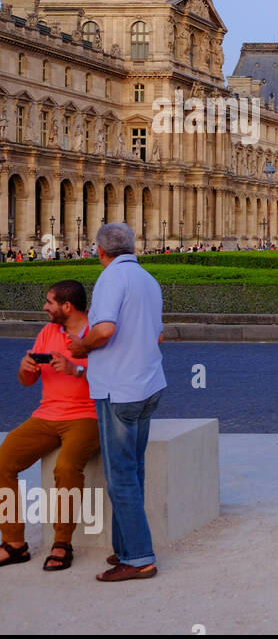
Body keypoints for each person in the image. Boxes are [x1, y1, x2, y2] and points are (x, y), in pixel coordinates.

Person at [67, 223, 166, 581]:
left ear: (99, 250)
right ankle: (125, 548)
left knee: (120, 476)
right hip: (148, 385)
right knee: (134, 470)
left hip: (119, 389)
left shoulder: (111, 279)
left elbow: (105, 329)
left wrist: (82, 346)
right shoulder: (148, 280)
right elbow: (158, 333)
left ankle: (139, 558)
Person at [0, 281, 100, 570]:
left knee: (66, 467)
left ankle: (62, 542)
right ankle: (14, 543)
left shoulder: (97, 333)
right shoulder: (47, 332)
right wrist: (25, 369)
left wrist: (75, 369)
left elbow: (114, 380)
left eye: (49, 302)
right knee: (4, 460)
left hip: (87, 416)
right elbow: (27, 381)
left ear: (66, 307)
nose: (44, 307)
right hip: (46, 416)